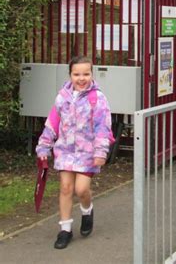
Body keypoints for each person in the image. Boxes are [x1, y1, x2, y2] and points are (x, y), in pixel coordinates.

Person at [36, 56, 113, 249]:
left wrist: (101, 152)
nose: (81, 78)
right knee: (66, 188)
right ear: (70, 75)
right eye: (76, 74)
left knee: (81, 190)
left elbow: (103, 127)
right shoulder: (62, 97)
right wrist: (44, 145)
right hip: (65, 150)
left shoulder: (98, 98)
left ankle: (87, 210)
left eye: (86, 74)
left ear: (91, 74)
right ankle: (65, 230)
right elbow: (53, 122)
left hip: (88, 153)